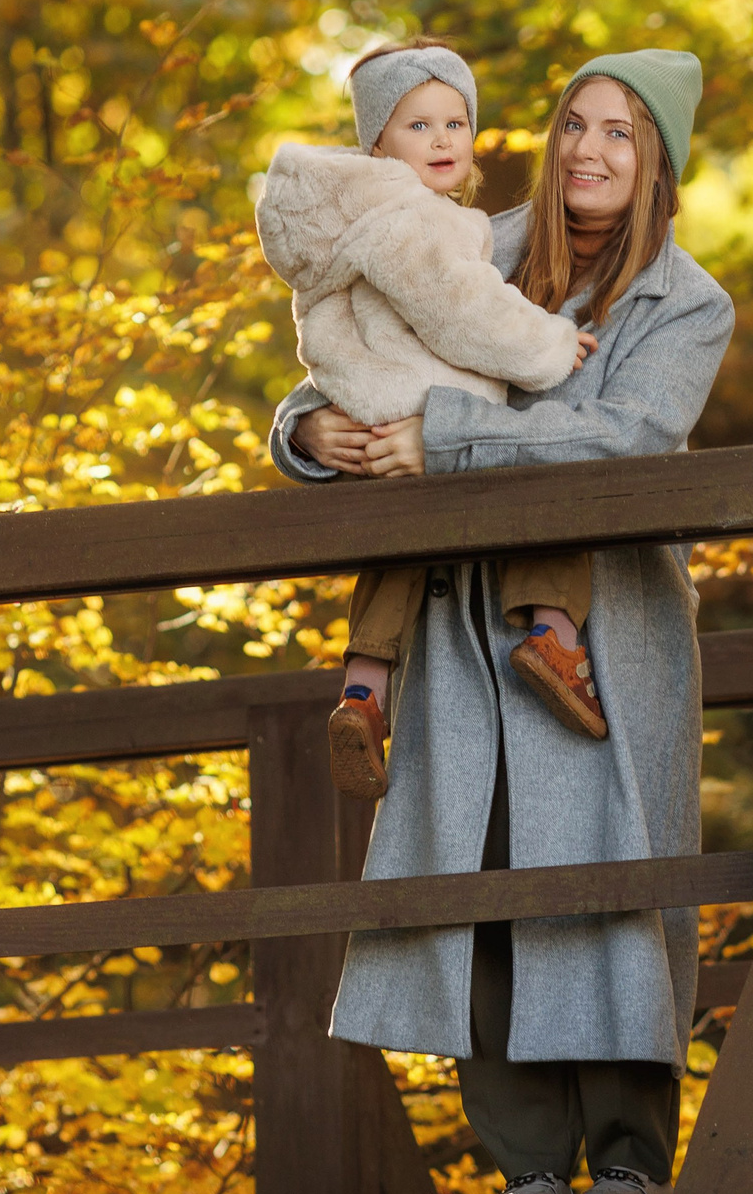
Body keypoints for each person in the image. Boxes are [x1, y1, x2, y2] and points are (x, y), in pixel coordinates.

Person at [268, 49, 731, 1194]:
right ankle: (526, 1164)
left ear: (659, 160)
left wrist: (451, 438)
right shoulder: (469, 233)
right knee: (476, 870)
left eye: (620, 133)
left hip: (603, 635)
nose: (588, 150)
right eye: (575, 124)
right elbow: (355, 320)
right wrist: (310, 430)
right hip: (456, 618)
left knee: (611, 877)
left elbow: (626, 438)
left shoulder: (689, 303)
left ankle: (626, 1156)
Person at [253, 39, 605, 804]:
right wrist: (549, 344)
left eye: (455, 123)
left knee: (396, 554)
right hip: (431, 408)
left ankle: (363, 690)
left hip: (374, 403)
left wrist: (324, 416)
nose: (443, 140)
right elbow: (466, 312)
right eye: (418, 126)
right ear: (375, 142)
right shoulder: (416, 223)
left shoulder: (346, 223)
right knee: (543, 494)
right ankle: (555, 637)